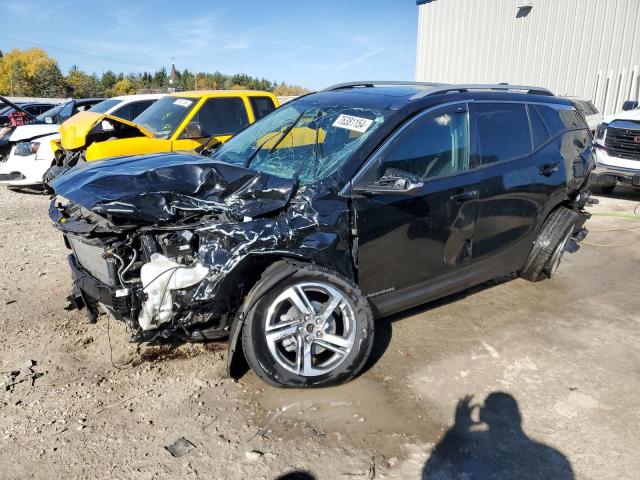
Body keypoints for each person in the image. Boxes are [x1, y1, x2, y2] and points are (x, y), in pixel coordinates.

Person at [422, 392, 574, 480]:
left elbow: (430, 475)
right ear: (518, 417)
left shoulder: (466, 455)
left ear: (482, 416)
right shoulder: (553, 460)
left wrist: (454, 434)